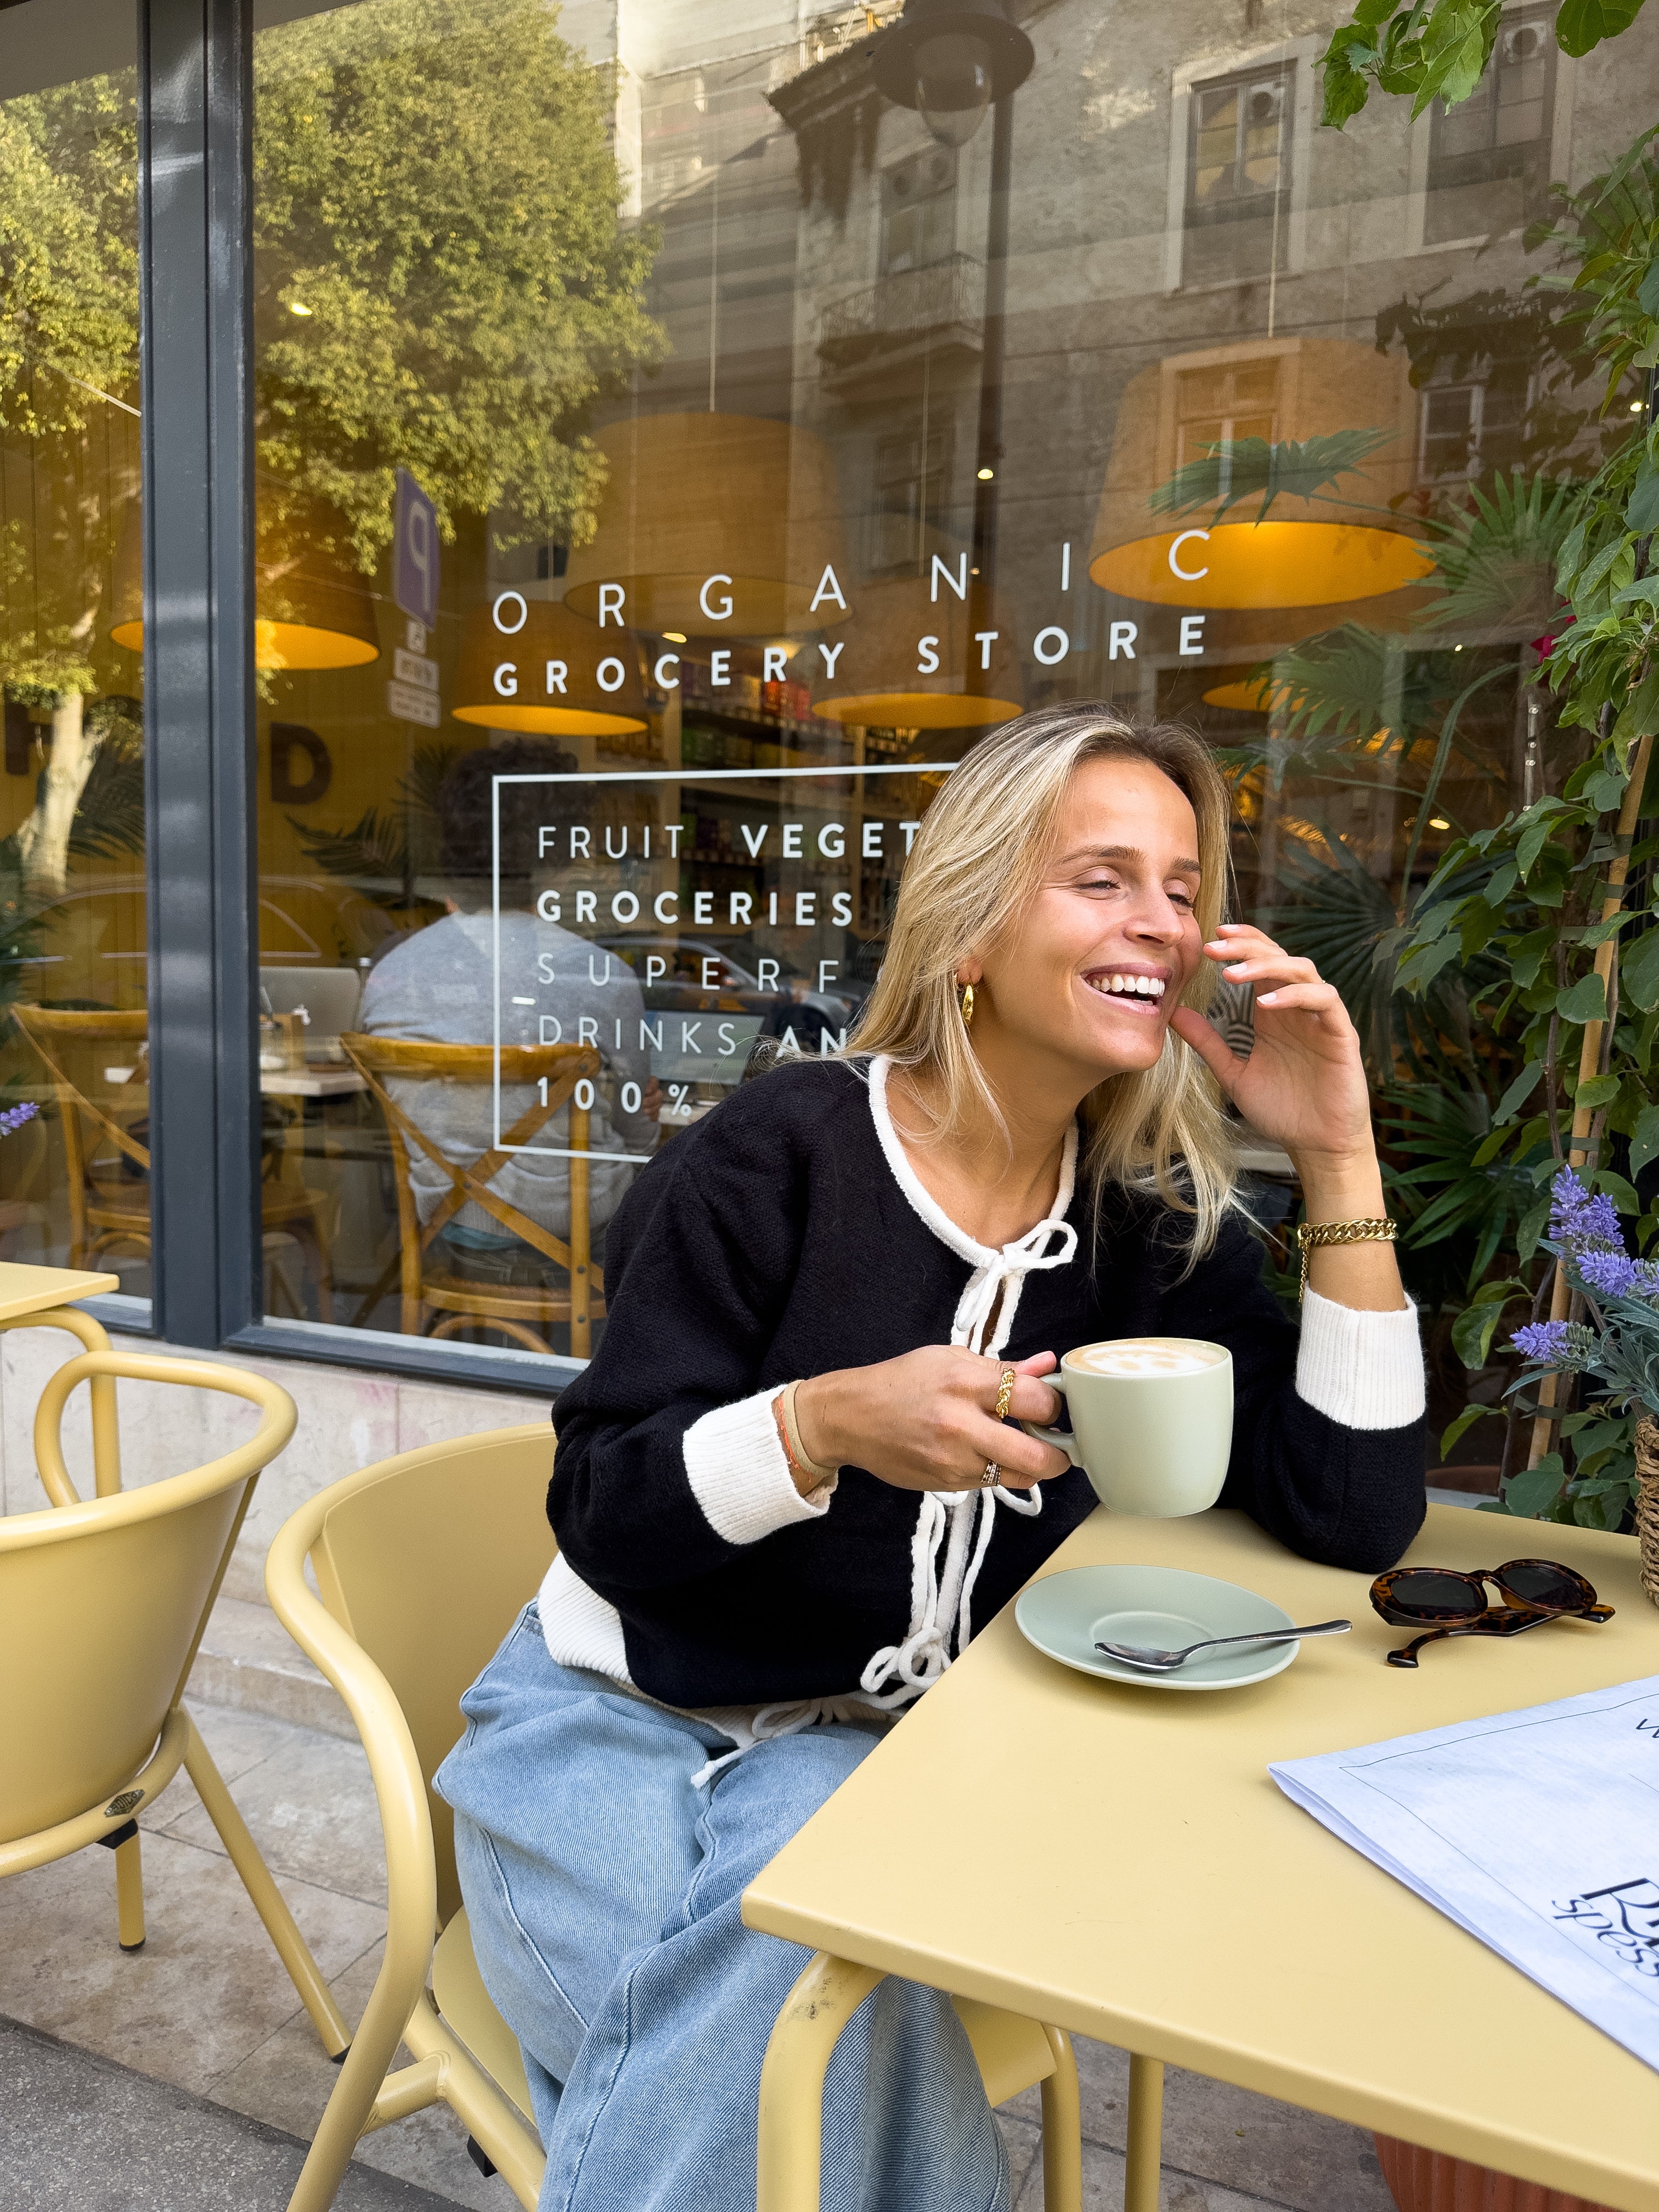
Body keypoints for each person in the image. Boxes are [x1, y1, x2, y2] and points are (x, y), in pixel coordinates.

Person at [435, 707, 1426, 2212]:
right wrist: (822, 1424)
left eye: (1179, 885)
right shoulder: (776, 1156)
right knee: (811, 2058)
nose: (1159, 920)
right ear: (969, 926)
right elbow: (606, 1509)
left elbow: (1355, 1516)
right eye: (1101, 877)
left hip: (857, 1767)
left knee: (785, 2063)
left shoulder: (1148, 1235)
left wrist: (1341, 1151)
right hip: (603, 1725)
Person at [359, 738, 658, 1299]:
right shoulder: (597, 975)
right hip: (578, 1235)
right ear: (562, 852)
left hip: (445, 1226)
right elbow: (638, 1133)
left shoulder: (392, 971)